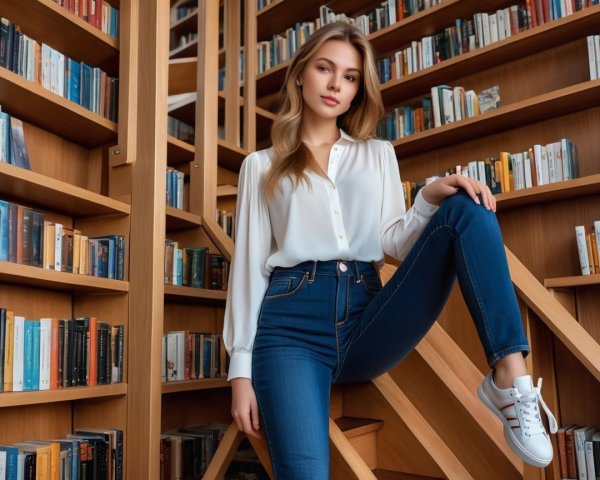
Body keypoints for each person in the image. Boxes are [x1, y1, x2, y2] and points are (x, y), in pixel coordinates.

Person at [223, 21, 557, 479]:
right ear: (301, 74)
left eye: (350, 76)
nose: (336, 83)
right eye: (325, 68)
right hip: (290, 330)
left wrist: (427, 199)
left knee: (467, 205)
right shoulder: (259, 167)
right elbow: (248, 271)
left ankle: (509, 377)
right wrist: (241, 372)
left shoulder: (377, 154)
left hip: (366, 316)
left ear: (358, 88)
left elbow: (391, 242)